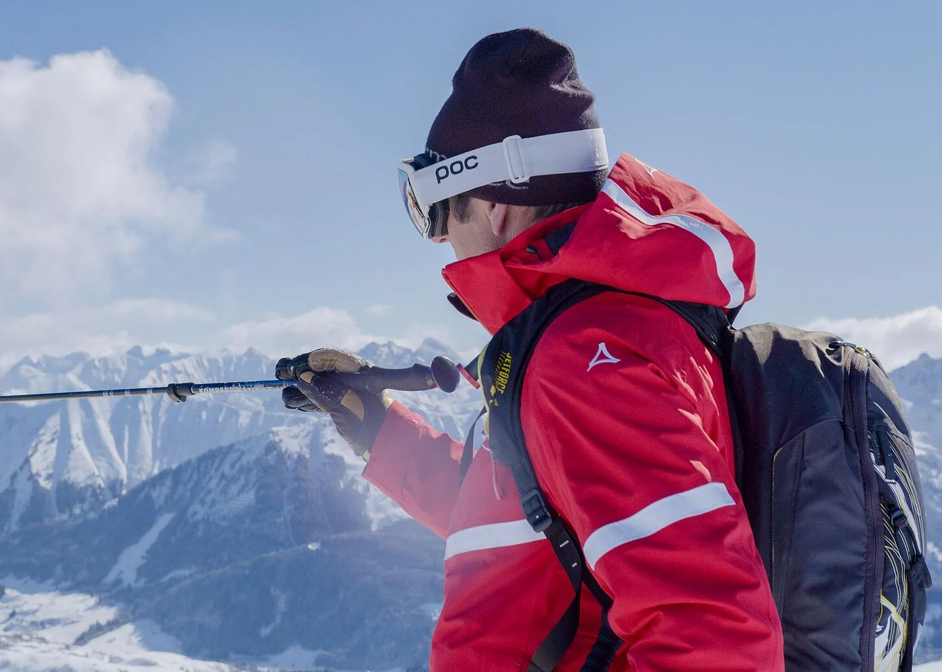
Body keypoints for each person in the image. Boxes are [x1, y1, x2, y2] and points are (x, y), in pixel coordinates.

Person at [280, 28, 784, 672]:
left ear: (491, 207)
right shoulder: (586, 338)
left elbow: (717, 640)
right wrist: (381, 434)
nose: (439, 242)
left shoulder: (584, 361)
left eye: (437, 211)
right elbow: (541, 519)